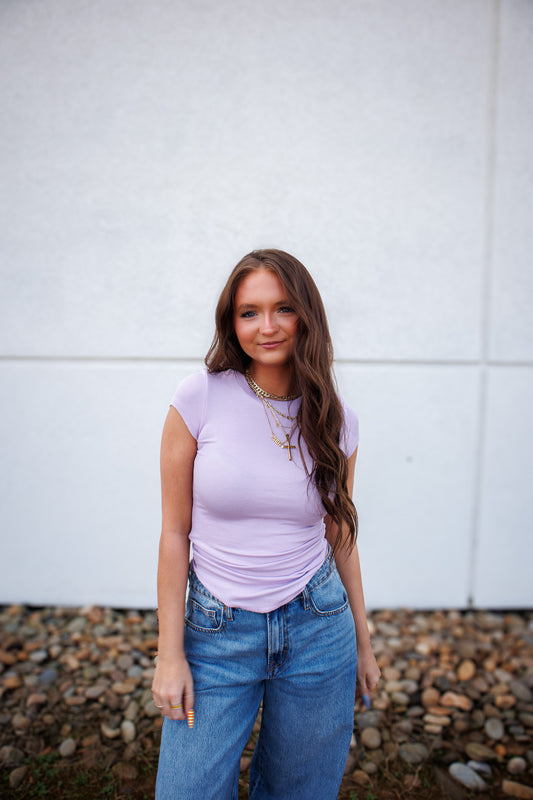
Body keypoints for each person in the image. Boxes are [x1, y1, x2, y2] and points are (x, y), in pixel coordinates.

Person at [153, 249, 380, 800]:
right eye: (249, 312)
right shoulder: (199, 397)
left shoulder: (336, 418)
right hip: (216, 630)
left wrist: (364, 641)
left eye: (283, 308)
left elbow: (339, 532)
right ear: (231, 323)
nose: (268, 326)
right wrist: (170, 651)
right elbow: (173, 533)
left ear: (307, 315)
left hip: (317, 625)